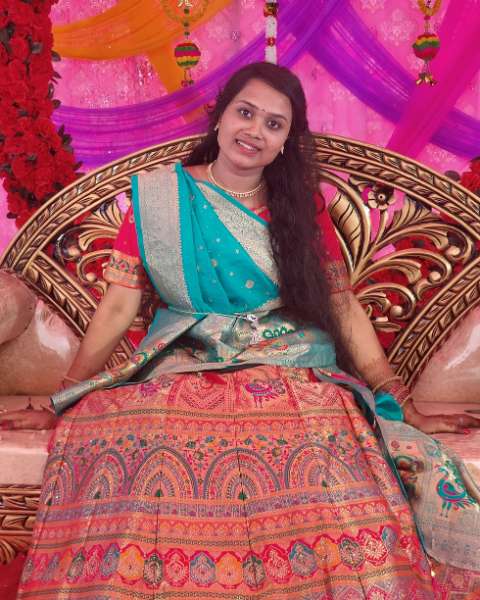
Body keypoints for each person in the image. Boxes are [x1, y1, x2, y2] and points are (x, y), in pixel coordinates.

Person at [12, 62, 480, 599]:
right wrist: (65, 396)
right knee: (151, 427)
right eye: (246, 113)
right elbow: (119, 307)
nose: (255, 131)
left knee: (314, 434)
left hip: (288, 359)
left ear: (285, 143)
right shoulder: (159, 199)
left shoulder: (299, 207)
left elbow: (342, 306)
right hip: (187, 357)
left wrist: (398, 399)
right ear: (220, 118)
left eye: (274, 124)